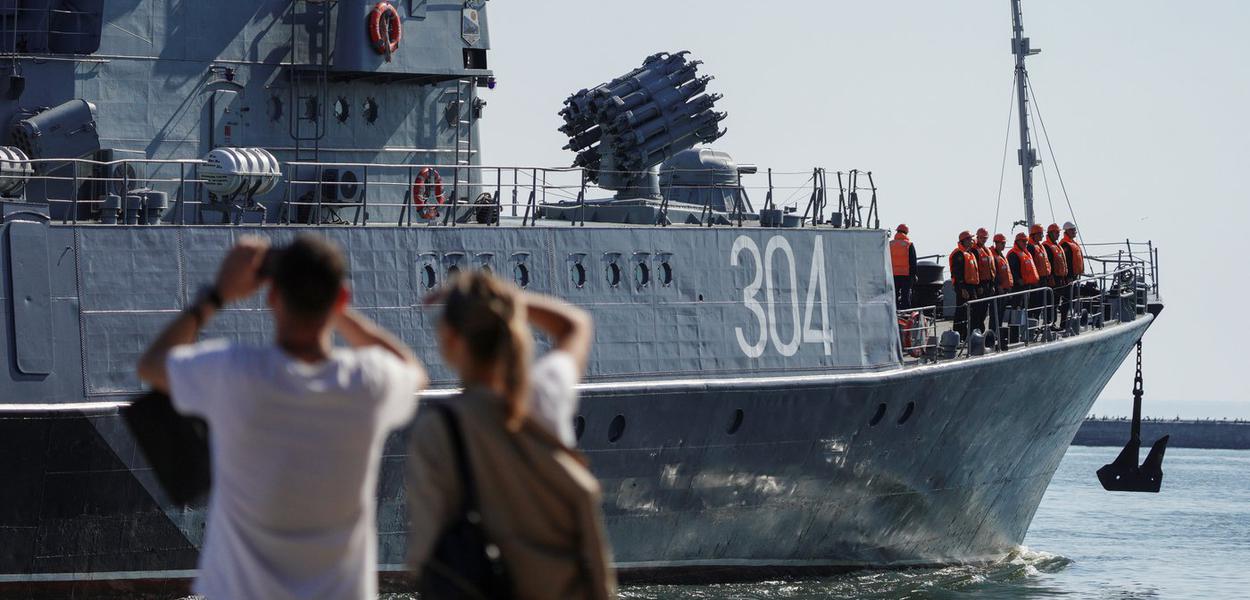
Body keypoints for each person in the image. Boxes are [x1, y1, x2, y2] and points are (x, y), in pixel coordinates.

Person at [136, 235, 427, 600]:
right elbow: (414, 371)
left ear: (272, 297)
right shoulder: (364, 384)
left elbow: (151, 366)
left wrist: (216, 296)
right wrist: (337, 308)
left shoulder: (232, 373)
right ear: (340, 299)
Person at [407, 271, 615, 600]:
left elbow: (429, 550)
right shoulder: (544, 395)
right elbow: (574, 326)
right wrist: (505, 300)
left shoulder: (438, 429)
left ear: (451, 340)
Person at [949, 230, 981, 339]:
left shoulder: (970, 253)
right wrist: (962, 288)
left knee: (973, 311)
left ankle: (969, 334)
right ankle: (959, 335)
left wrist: (977, 286)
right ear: (964, 241)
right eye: (969, 239)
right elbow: (957, 273)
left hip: (972, 287)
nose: (971, 241)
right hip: (963, 287)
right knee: (961, 312)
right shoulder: (958, 254)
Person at [1043, 223, 1071, 328]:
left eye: (1058, 232)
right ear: (1050, 233)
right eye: (1056, 232)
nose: (1058, 234)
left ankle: (1055, 323)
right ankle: (1050, 324)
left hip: (1060, 279)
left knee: (1056, 302)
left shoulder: (1057, 246)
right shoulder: (1047, 246)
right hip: (1053, 279)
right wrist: (1051, 278)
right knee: (1051, 303)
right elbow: (1048, 263)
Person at [990, 232, 1014, 331]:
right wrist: (998, 286)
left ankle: (998, 332)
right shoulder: (993, 256)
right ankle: (993, 332)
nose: (1004, 245)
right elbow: (994, 273)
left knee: (1001, 313)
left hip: (1005, 289)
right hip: (999, 290)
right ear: (996, 243)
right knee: (995, 313)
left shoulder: (1002, 256)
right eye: (1002, 243)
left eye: (1004, 243)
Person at [890, 224, 917, 309]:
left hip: (893, 275)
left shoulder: (890, 244)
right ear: (906, 232)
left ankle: (894, 315)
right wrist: (914, 275)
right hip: (906, 275)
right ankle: (905, 317)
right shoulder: (909, 244)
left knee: (894, 297)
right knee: (905, 296)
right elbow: (913, 262)